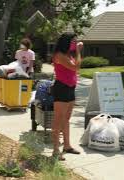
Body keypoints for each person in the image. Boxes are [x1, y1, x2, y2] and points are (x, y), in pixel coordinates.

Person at [51, 33, 84, 161]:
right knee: (58, 120)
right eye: (73, 41)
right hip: (62, 88)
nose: (75, 43)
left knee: (66, 119)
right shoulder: (59, 55)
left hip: (70, 88)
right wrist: (78, 51)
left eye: (76, 42)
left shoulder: (69, 55)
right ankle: (55, 150)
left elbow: (74, 68)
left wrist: (75, 53)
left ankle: (67, 146)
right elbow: (76, 67)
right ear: (67, 42)